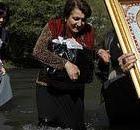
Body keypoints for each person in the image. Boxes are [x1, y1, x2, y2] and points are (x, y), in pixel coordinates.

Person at [33, 0, 110, 129]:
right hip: (48, 87)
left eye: (83, 20)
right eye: (76, 19)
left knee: (75, 126)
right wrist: (65, 64)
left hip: (75, 88)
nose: (80, 24)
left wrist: (100, 52)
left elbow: (94, 49)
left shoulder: (89, 31)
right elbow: (38, 51)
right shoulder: (53, 26)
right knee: (48, 126)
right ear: (66, 16)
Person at [0, 2, 13, 106]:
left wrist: (1, 65)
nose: (1, 20)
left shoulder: (4, 33)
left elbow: (2, 53)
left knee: (5, 78)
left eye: (4, 18)